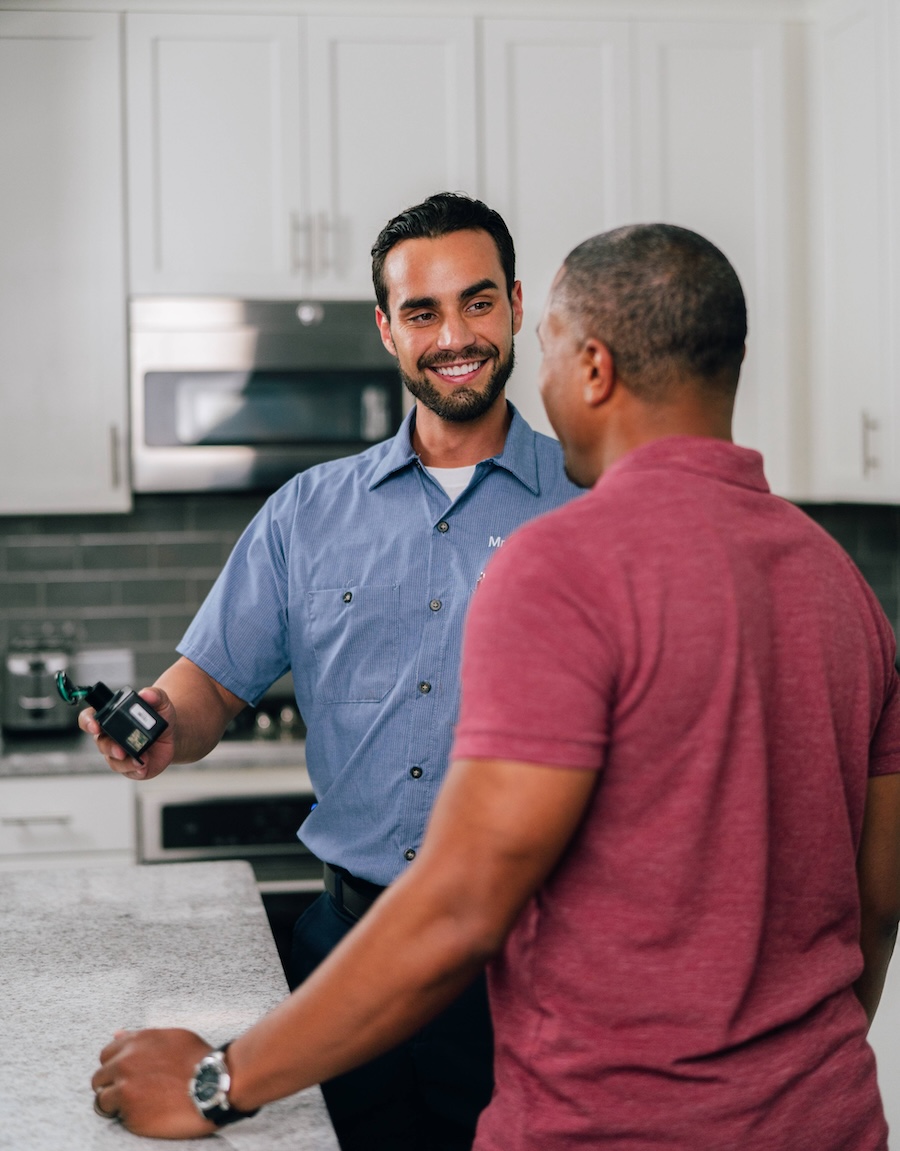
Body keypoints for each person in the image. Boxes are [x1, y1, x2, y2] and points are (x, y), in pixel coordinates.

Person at [91, 224, 900, 1149]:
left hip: (595, 1108)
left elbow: (463, 905)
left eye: (534, 337)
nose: (464, 339)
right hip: (822, 1113)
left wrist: (218, 1081)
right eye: (421, 311)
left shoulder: (563, 559)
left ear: (589, 366)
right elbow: (876, 901)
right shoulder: (846, 587)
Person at [81, 192, 580, 1150]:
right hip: (345, 950)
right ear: (387, 328)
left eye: (477, 303)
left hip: (535, 964)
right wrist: (159, 720)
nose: (455, 337)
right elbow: (209, 685)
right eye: (423, 312)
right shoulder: (307, 512)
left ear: (516, 306)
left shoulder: (589, 503)